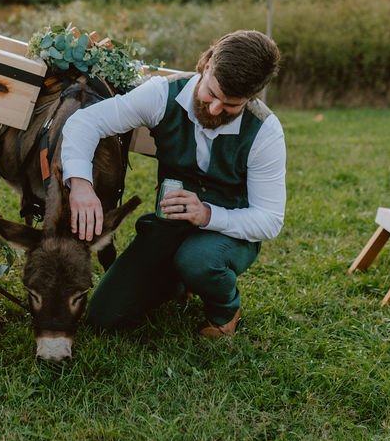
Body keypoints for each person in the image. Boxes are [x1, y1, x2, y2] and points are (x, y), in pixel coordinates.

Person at [62, 30, 285, 337]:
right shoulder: (161, 94)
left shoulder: (265, 132)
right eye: (212, 93)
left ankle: (225, 311)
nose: (215, 109)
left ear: (251, 98)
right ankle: (177, 280)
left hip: (228, 234)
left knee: (198, 260)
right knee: (104, 316)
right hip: (168, 225)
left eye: (231, 105)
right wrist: (80, 184)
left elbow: (269, 220)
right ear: (207, 65)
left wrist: (207, 215)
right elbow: (86, 122)